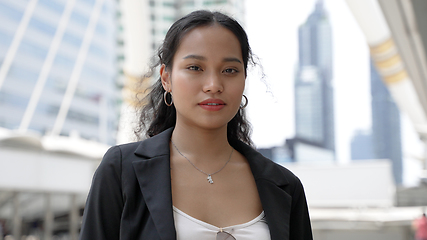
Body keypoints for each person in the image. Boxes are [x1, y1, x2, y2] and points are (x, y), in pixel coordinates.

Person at [79, 10, 312, 240]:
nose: (213, 85)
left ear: (244, 79)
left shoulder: (285, 187)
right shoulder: (121, 171)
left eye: (229, 70)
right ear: (166, 78)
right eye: (195, 68)